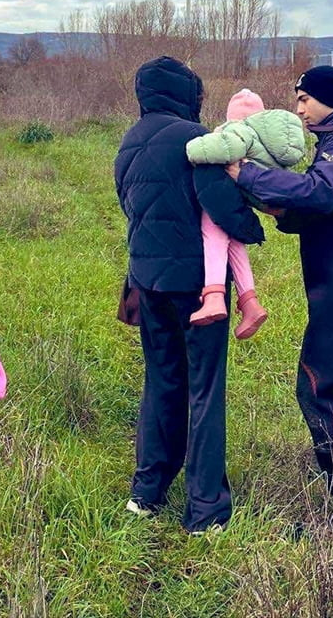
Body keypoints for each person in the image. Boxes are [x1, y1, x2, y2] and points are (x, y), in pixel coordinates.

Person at [227, 65, 333, 530]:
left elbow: (321, 194)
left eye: (304, 99)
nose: (298, 109)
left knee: (320, 389)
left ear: (327, 98)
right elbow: (319, 209)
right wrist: (270, 202)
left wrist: (247, 175)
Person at [114, 56, 265, 533]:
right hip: (202, 287)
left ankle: (148, 490)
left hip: (147, 280)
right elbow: (220, 204)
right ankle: (205, 511)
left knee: (161, 380)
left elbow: (128, 206)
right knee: (205, 389)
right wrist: (254, 228)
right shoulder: (197, 140)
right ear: (188, 94)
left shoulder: (128, 143)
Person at [185, 88, 306, 337]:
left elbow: (221, 148)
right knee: (235, 242)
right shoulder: (264, 137)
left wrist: (192, 147)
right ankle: (249, 302)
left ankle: (214, 295)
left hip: (232, 191)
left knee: (213, 233)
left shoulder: (240, 130)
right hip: (256, 194)